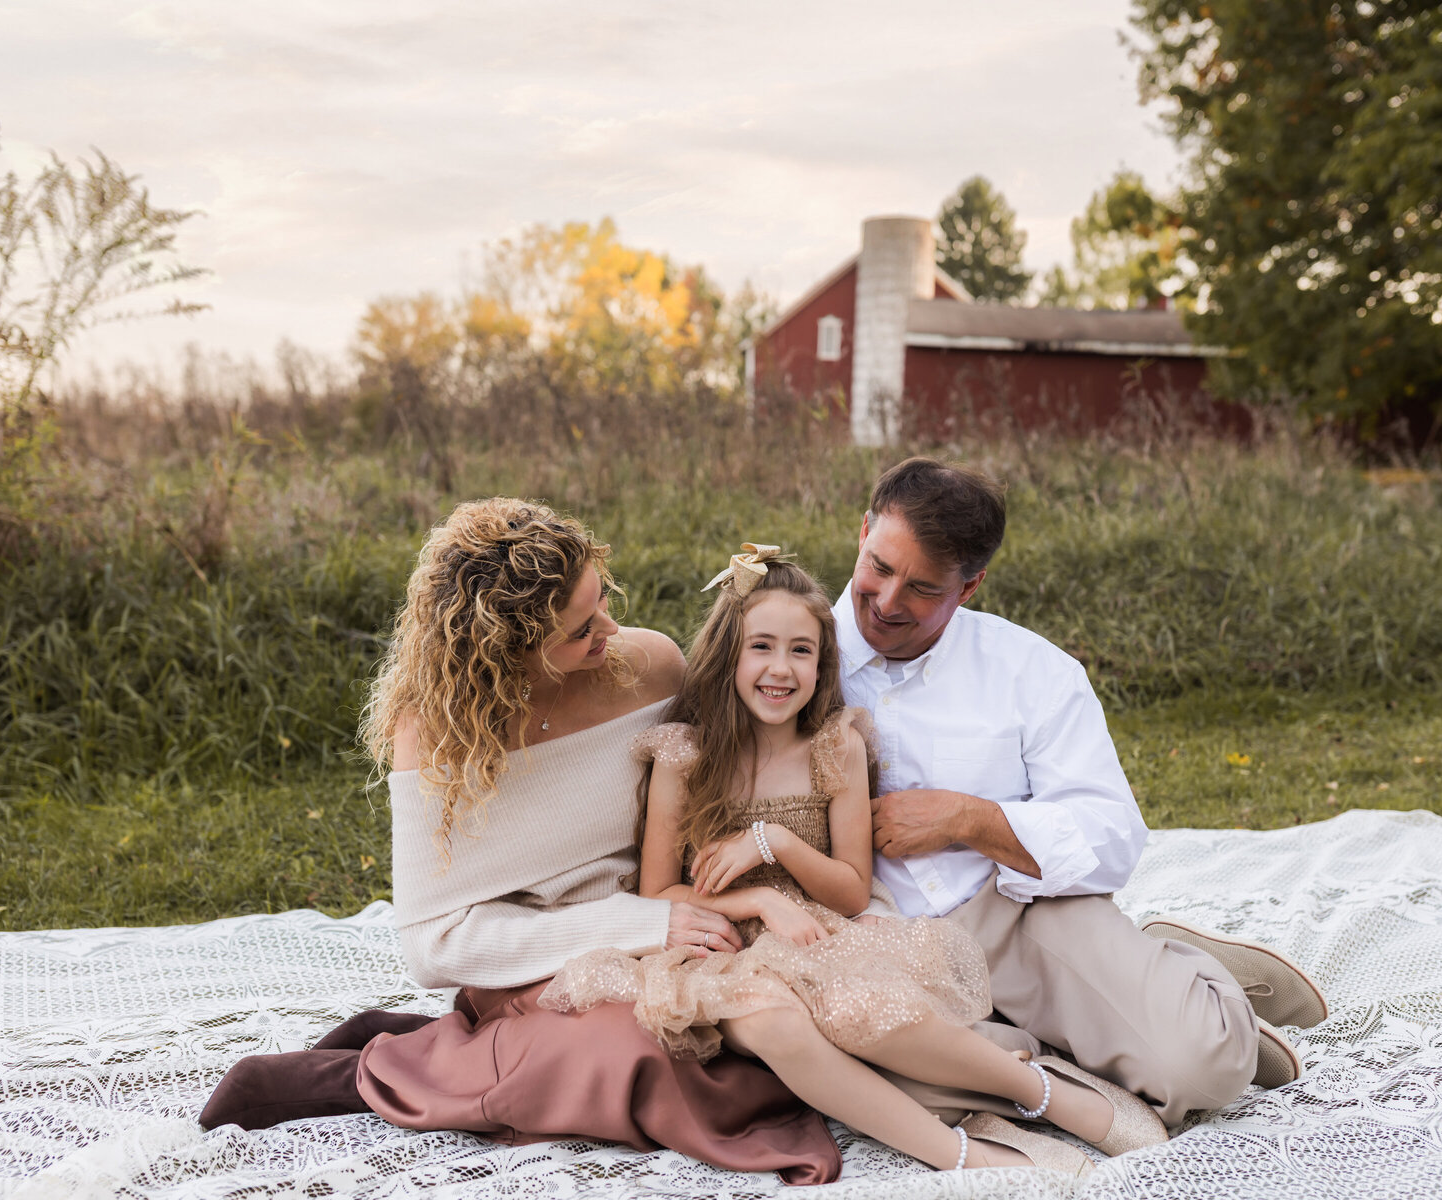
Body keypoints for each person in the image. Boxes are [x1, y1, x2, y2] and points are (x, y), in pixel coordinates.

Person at [199, 499, 841, 1185]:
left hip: (676, 930)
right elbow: (434, 944)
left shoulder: (649, 667)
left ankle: (445, 1052)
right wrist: (645, 924)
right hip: (538, 959)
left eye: (601, 601)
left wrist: (754, 883)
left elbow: (714, 790)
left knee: (779, 1024)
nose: (610, 629)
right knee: (642, 1057)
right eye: (579, 629)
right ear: (505, 652)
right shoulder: (438, 733)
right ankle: (365, 1073)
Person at [540, 548, 1166, 1175]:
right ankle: (963, 1156)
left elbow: (849, 890)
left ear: (824, 662)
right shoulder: (685, 757)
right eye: (761, 647)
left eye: (801, 651)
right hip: (719, 945)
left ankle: (1051, 1096)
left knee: (860, 1010)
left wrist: (774, 845)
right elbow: (658, 895)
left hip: (817, 930)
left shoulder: (834, 748)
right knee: (772, 1023)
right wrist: (758, 899)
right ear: (729, 652)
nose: (779, 669)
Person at [835, 457, 1329, 1127]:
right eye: (881, 568)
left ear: (971, 585)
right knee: (853, 1084)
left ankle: (1189, 986)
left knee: (1201, 1066)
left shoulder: (1031, 671)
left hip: (1013, 909)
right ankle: (1072, 1039)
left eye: (922, 588)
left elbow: (1112, 834)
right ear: (863, 531)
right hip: (866, 933)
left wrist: (969, 819)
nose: (889, 602)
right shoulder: (787, 650)